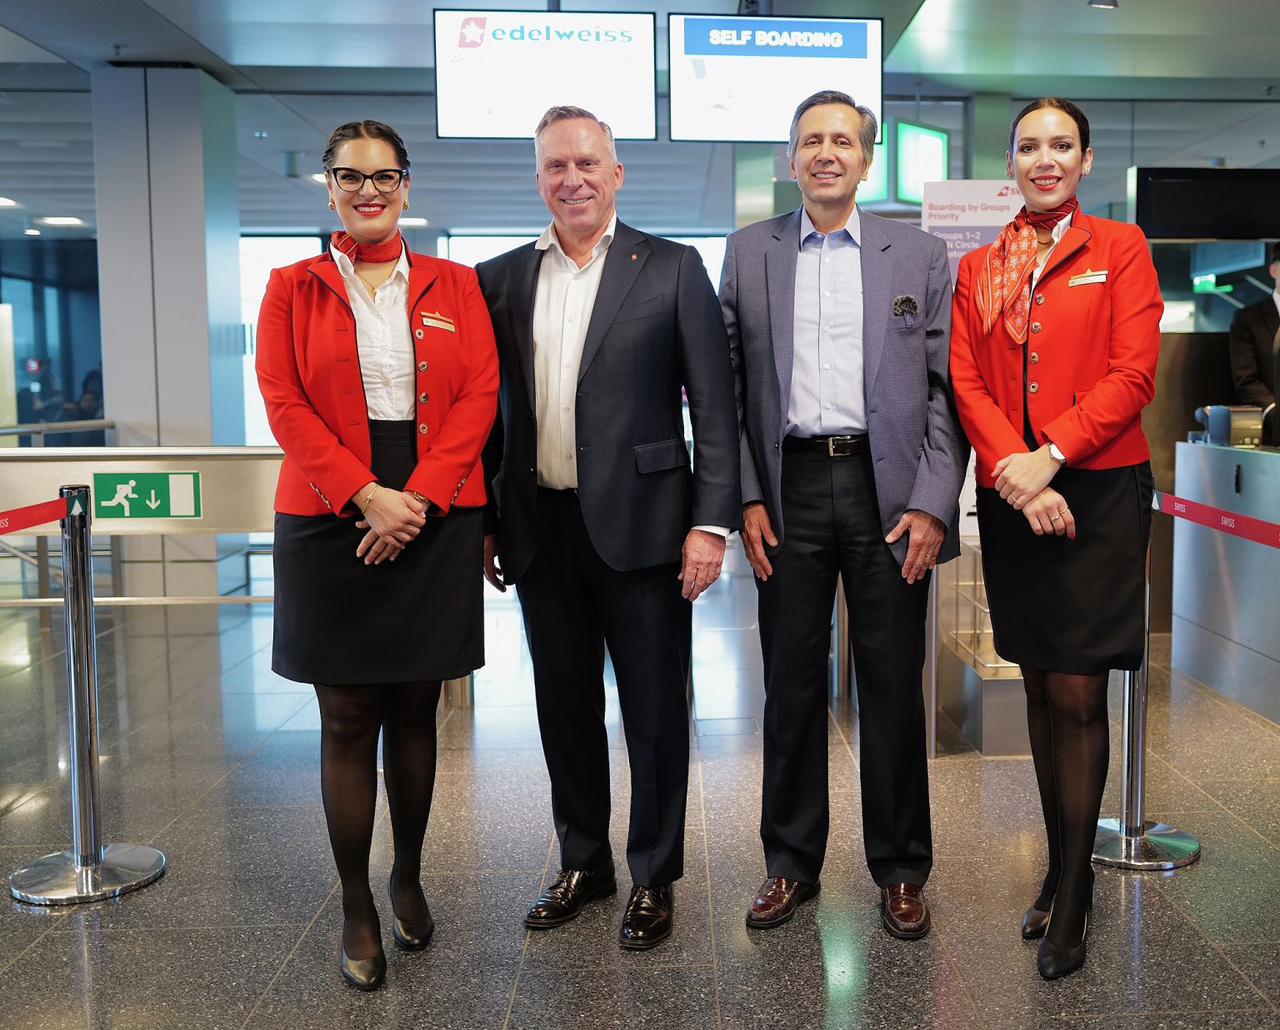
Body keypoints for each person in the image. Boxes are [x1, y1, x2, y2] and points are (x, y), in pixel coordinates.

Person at [477, 105, 739, 950]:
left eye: (588, 163)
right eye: (556, 166)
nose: (573, 179)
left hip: (648, 528)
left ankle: (655, 874)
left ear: (617, 174)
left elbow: (718, 409)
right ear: (540, 178)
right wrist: (486, 518)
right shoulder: (502, 277)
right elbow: (490, 415)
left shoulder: (670, 268)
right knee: (563, 706)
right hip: (540, 527)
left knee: (656, 711)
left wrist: (711, 524)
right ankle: (584, 863)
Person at [256, 120, 498, 992]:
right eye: (351, 177)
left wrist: (419, 499)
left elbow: (479, 394)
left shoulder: (454, 283)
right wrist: (365, 495)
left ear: (406, 187)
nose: (369, 190)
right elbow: (283, 402)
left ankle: (408, 873)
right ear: (328, 186)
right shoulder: (290, 287)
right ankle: (357, 900)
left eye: (385, 176)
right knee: (348, 715)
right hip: (331, 507)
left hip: (434, 504)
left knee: (415, 708)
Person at [720, 90, 967, 941]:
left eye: (842, 141)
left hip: (888, 494)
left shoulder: (920, 255)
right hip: (786, 491)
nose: (827, 153)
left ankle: (901, 869)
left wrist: (935, 503)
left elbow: (945, 393)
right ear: (792, 160)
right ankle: (790, 863)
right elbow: (727, 392)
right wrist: (744, 495)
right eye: (810, 141)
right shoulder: (750, 252)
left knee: (892, 686)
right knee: (790, 685)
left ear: (867, 158)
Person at [950, 98, 1162, 980]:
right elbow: (964, 375)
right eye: (1029, 146)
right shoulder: (979, 266)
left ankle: (1074, 898)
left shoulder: (1120, 249)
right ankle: (1058, 863)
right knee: (1037, 689)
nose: (1045, 159)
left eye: (1061, 146)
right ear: (1011, 162)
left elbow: (1134, 374)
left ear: (1084, 161)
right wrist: (1015, 467)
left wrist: (1052, 455)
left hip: (1100, 490)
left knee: (1077, 696)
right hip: (1013, 494)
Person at [1228, 241, 1278, 440]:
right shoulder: (1248, 319)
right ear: (1274, 270)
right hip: (1271, 431)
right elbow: (1245, 378)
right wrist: (1274, 412)